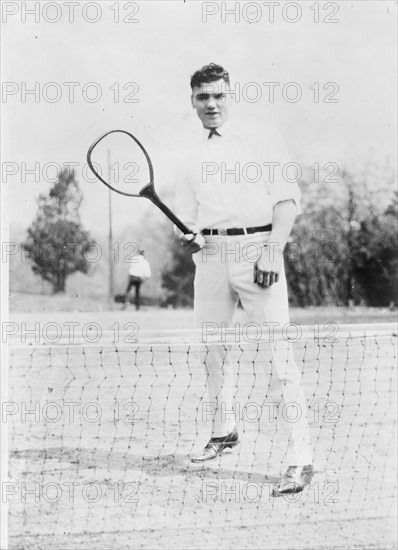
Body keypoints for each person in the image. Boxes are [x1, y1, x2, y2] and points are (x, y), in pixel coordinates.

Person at [174, 63, 313, 495]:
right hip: (212, 258)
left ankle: (300, 459)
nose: (211, 104)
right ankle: (224, 432)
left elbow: (287, 200)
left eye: (218, 95)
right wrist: (188, 237)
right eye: (202, 97)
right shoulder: (189, 154)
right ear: (193, 101)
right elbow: (188, 220)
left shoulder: (262, 138)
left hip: (260, 251)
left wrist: (272, 249)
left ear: (230, 95)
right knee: (212, 352)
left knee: (277, 356)